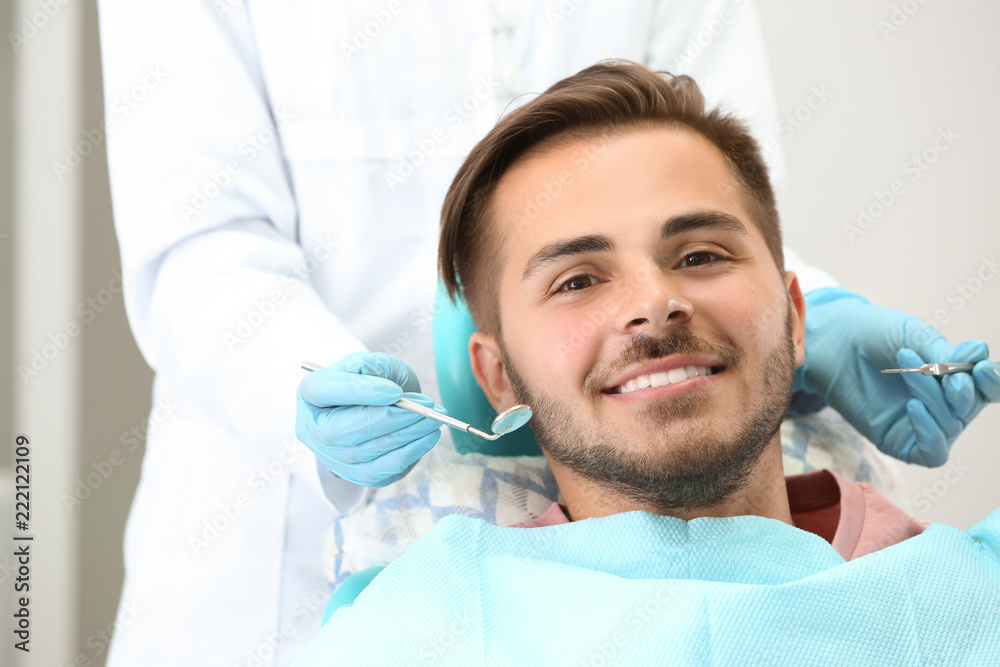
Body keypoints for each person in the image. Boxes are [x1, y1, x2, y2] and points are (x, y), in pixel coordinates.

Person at [97, 2, 992, 665]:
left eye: (699, 259)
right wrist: (302, 380)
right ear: (496, 375)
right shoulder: (409, 632)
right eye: (578, 279)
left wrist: (825, 323)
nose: (653, 304)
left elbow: (704, 179)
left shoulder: (962, 595)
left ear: (789, 308)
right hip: (267, 561)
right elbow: (199, 241)